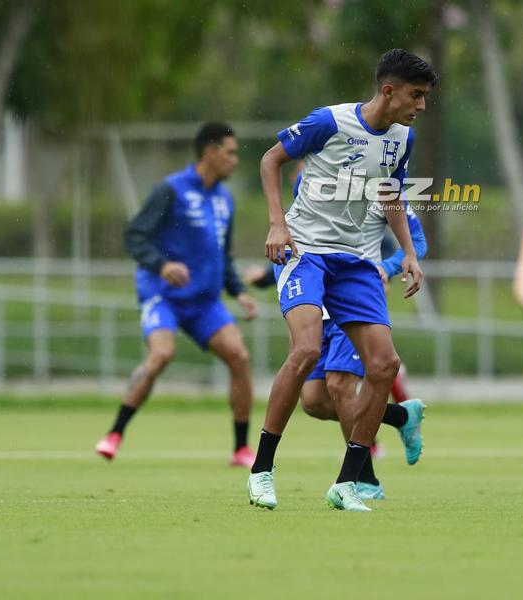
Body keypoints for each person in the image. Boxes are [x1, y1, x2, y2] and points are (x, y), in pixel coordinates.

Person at [248, 48, 438, 512]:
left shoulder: (401, 139)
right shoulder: (328, 122)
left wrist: (409, 254)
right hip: (305, 252)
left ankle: (348, 482)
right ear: (388, 91)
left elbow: (392, 191)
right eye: (416, 95)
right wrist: (278, 224)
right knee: (308, 351)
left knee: (384, 365)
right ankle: (261, 471)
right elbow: (270, 161)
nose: (421, 106)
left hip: (355, 261)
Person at [94, 123, 259, 468]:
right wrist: (161, 265)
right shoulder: (171, 189)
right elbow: (135, 236)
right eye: (229, 152)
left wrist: (239, 292)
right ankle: (114, 434)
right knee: (161, 356)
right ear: (209, 152)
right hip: (164, 296)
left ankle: (241, 449)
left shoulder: (225, 199)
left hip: (204, 303)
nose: (234, 160)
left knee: (239, 357)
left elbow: (222, 254)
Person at [296, 199, 429, 501]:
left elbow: (417, 241)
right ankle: (399, 416)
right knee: (314, 401)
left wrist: (386, 267)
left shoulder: (381, 185)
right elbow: (301, 239)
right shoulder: (309, 183)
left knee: (340, 385)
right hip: (320, 303)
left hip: (355, 301)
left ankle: (365, 480)